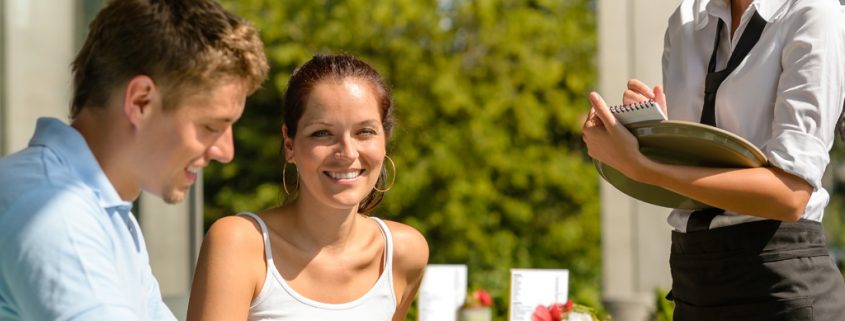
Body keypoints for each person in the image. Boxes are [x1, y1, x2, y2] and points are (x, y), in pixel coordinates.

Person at [0, 0, 269, 320]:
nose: (226, 152)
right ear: (141, 101)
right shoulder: (53, 211)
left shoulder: (108, 213)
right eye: (211, 126)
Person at [583, 0, 845, 320]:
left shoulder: (813, 13)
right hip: (694, 277)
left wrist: (644, 166)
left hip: (780, 286)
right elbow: (697, 173)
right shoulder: (685, 20)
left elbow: (788, 195)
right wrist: (656, 135)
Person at [186, 54, 429, 321]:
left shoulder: (405, 253)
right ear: (289, 145)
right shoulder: (239, 243)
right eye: (322, 133)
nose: (347, 153)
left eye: (365, 132)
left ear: (385, 140)